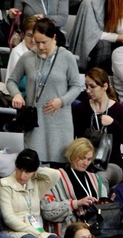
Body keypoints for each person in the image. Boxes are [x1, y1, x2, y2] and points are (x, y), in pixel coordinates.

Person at [42, 138, 123, 238]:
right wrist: (76, 203)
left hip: (97, 226)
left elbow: (103, 204)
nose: (85, 163)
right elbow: (47, 210)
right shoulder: (56, 176)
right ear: (72, 156)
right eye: (82, 158)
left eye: (89, 159)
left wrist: (106, 202)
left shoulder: (95, 178)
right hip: (71, 224)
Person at [8, 18, 83, 163]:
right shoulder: (27, 57)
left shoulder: (67, 57)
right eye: (37, 41)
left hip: (59, 120)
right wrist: (16, 94)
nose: (40, 46)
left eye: (44, 42)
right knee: (34, 164)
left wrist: (62, 101)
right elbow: (11, 81)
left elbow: (77, 86)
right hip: (35, 121)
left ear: (54, 37)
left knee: (59, 165)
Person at [0, 149, 65, 238]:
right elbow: (8, 218)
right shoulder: (4, 184)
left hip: (36, 230)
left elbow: (56, 174)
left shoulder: (35, 184)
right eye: (20, 169)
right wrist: (33, 232)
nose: (22, 175)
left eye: (28, 172)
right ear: (15, 166)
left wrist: (36, 170)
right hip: (14, 230)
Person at [72, 67, 123, 176]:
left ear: (105, 86)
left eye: (92, 87)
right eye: (86, 86)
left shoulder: (119, 109)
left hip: (112, 163)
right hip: (86, 163)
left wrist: (113, 123)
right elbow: (74, 137)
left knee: (101, 177)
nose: (88, 90)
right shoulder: (81, 109)